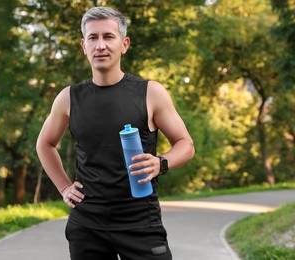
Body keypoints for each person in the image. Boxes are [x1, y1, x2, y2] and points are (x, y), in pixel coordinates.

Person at [36, 6, 194, 260]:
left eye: (108, 37)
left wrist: (160, 163)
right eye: (93, 38)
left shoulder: (150, 93)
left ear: (124, 44)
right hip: (87, 225)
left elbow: (185, 144)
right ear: (83, 46)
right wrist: (65, 187)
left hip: (141, 222)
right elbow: (45, 144)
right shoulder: (68, 98)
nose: (100, 45)